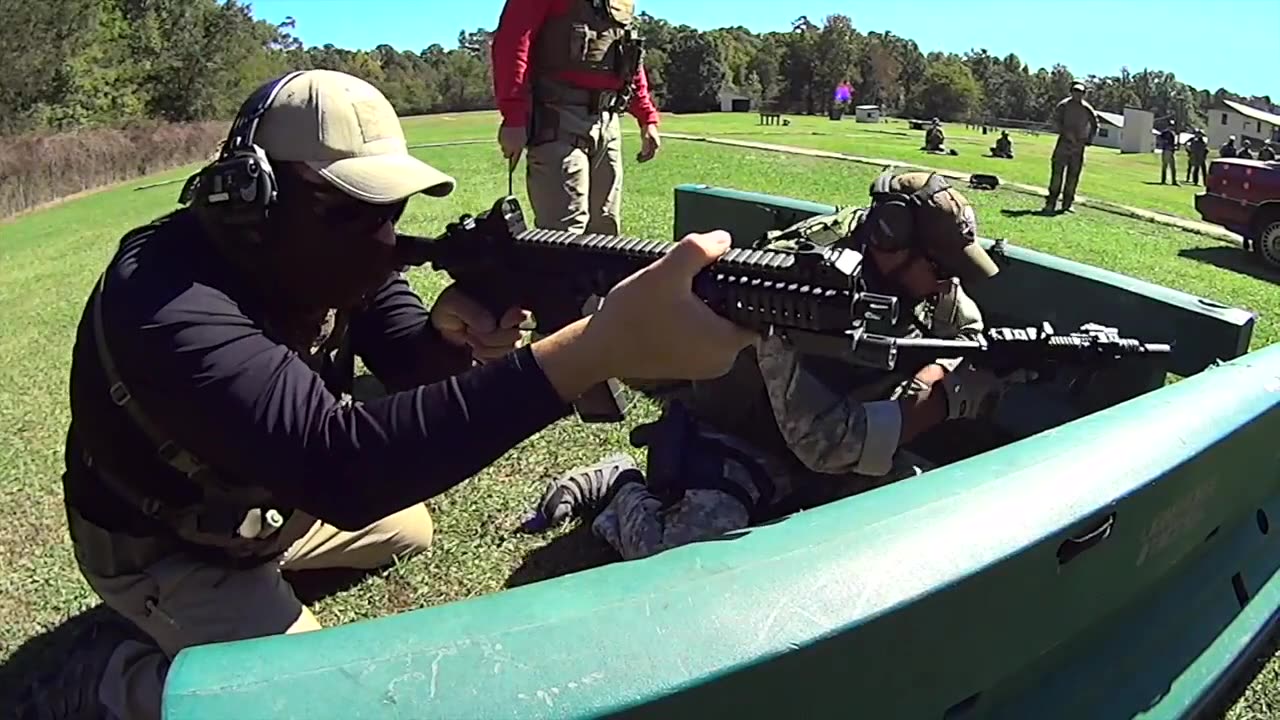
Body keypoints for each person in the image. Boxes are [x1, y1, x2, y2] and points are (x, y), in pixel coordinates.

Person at [18, 69, 755, 720]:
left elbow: (407, 357)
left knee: (410, 531)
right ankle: (117, 680)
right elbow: (344, 469)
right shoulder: (166, 300)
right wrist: (598, 348)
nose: (381, 237)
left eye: (390, 211)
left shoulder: (317, 255)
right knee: (311, 706)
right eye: (350, 210)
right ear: (250, 198)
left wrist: (445, 334)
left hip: (267, 505)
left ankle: (230, 611)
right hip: (170, 543)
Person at [523, 171, 1029, 560]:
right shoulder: (796, 297)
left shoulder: (927, 282)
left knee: (922, 521)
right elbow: (827, 445)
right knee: (680, 554)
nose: (947, 283)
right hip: (743, 438)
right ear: (889, 243)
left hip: (836, 443)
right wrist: (943, 395)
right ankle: (620, 489)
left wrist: (944, 369)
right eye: (940, 268)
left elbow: (964, 331)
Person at [491, 0, 662, 235]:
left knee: (606, 229)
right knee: (563, 234)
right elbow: (513, 45)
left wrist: (646, 116)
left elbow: (629, 55)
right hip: (557, 119)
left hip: (608, 121)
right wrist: (514, 116)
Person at [1043, 81, 1099, 214]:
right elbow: (1055, 121)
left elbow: (1095, 124)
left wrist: (1089, 139)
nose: (1077, 94)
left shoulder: (1087, 108)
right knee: (1057, 175)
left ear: (1084, 94)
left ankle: (1067, 204)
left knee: (1073, 176)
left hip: (1078, 147)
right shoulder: (1063, 106)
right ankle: (1051, 203)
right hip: (1063, 144)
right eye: (1075, 91)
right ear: (1071, 91)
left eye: (1080, 92)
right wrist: (1066, 133)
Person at [1158, 121, 1180, 186]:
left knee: (1171, 167)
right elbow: (1160, 138)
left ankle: (1172, 181)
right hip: (1167, 151)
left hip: (1170, 151)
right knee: (1166, 166)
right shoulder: (1166, 133)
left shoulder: (1171, 133)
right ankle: (1165, 180)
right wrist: (1165, 143)